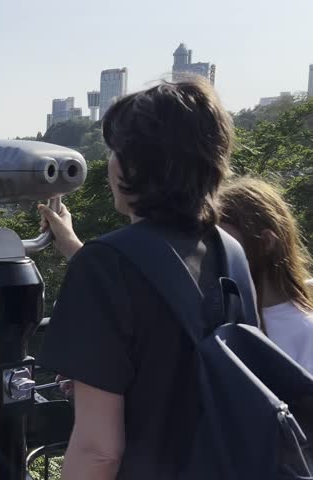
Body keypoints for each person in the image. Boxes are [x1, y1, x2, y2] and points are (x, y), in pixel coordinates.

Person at [37, 77, 235, 480]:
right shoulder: (229, 253)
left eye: (114, 151)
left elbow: (99, 450)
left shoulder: (106, 266)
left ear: (137, 165)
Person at [217, 177, 313, 372]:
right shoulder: (217, 318)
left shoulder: (305, 331)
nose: (214, 252)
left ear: (266, 242)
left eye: (226, 242)